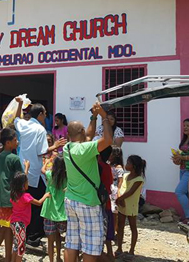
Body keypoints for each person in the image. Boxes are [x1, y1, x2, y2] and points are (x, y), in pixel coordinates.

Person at [63, 102, 113, 262]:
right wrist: (104, 117)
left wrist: (94, 117)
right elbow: (108, 140)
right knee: (90, 246)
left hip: (71, 201)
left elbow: (89, 136)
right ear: (82, 132)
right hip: (88, 203)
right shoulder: (85, 149)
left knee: (71, 242)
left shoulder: (67, 148)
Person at [13, 97, 67, 245]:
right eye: (45, 114)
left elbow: (16, 118)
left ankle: (27, 232)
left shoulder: (24, 124)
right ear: (41, 114)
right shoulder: (40, 129)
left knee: (24, 201)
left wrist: (18, 104)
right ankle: (33, 235)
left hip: (23, 167)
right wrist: (55, 145)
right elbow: (42, 151)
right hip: (35, 171)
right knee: (36, 205)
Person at [0, 128, 23, 262]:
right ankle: (8, 257)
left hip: (1, 197)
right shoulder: (14, 158)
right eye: (15, 140)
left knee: (5, 227)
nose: (17, 142)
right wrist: (26, 168)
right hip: (11, 198)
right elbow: (21, 178)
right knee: (9, 229)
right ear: (8, 143)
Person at [10, 170, 51, 262]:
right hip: (21, 224)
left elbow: (20, 180)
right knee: (21, 247)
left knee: (16, 245)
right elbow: (39, 203)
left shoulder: (14, 195)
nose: (28, 183)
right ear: (23, 185)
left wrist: (27, 169)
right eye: (27, 182)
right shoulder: (26, 196)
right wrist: (46, 195)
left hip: (14, 222)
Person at [115, 155, 146, 259]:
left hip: (131, 205)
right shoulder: (125, 176)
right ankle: (119, 248)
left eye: (128, 163)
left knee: (133, 227)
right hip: (122, 203)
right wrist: (119, 197)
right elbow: (120, 187)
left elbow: (130, 192)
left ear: (134, 166)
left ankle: (132, 250)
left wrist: (120, 199)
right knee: (120, 226)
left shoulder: (138, 179)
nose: (126, 164)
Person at [41, 155, 67, 262]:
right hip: (62, 213)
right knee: (59, 237)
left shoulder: (50, 175)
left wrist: (47, 162)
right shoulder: (67, 177)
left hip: (49, 211)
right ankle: (58, 257)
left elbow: (42, 170)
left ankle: (51, 259)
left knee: (50, 241)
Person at [171, 118, 189, 223]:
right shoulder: (184, 140)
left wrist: (183, 158)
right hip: (182, 169)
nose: (185, 128)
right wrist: (177, 160)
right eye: (184, 125)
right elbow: (182, 155)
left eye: (187, 126)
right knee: (186, 194)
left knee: (179, 192)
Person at [109, 147, 125, 233]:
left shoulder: (118, 167)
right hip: (108, 188)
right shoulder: (109, 164)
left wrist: (118, 192)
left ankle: (115, 230)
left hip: (114, 191)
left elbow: (120, 181)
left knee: (114, 213)